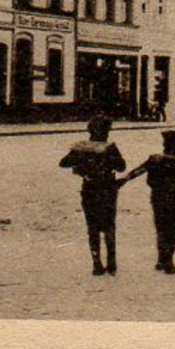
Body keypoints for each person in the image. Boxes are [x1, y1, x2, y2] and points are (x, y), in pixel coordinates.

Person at [58, 115, 127, 277]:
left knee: (92, 226)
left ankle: (96, 263)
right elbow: (122, 167)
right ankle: (112, 262)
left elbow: (64, 163)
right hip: (108, 189)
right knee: (109, 224)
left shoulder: (81, 147)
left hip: (89, 188)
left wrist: (82, 166)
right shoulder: (110, 148)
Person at [121, 128, 175, 274]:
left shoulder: (156, 159)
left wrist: (124, 179)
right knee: (172, 229)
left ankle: (163, 259)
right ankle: (167, 259)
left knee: (161, 228)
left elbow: (139, 171)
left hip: (159, 197)